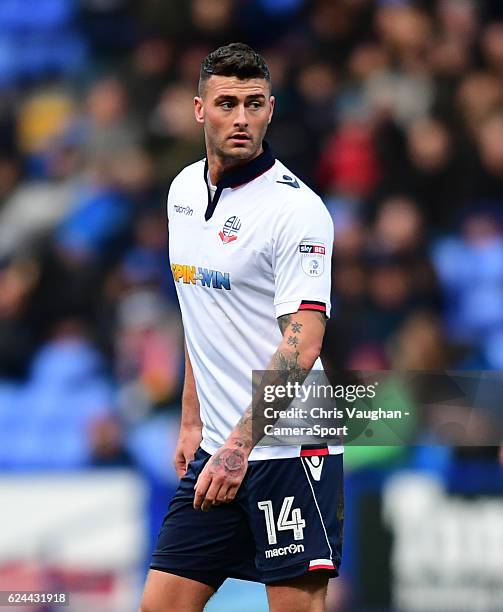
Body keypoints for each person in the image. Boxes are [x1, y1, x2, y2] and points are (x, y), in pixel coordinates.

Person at [140, 43, 343, 612]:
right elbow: (197, 312)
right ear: (199, 109)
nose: (241, 118)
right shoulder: (181, 192)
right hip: (218, 442)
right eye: (226, 103)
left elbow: (302, 345)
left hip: (289, 446)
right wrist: (192, 419)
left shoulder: (295, 210)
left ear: (271, 109)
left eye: (254, 104)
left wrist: (238, 445)